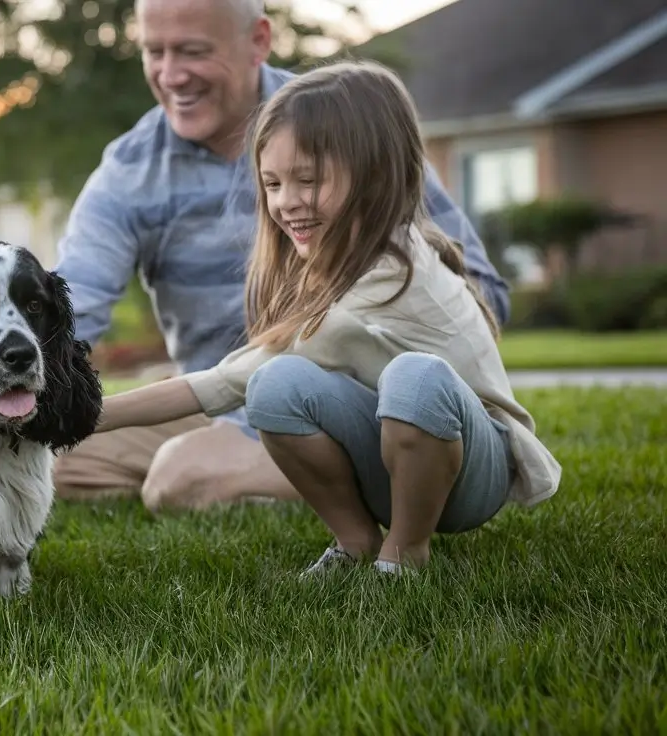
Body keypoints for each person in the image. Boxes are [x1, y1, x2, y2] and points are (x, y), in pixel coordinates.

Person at [93, 60, 561, 575]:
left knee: (415, 376)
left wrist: (82, 416)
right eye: (272, 184)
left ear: (374, 174)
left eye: (308, 180)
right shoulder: (328, 261)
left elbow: (219, 385)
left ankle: (405, 552)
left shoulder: (390, 273)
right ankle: (355, 539)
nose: (286, 202)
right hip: (393, 457)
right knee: (276, 384)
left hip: (474, 472)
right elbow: (242, 380)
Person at [51, 0, 511, 512]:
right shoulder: (129, 171)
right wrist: (31, 389)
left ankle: (355, 474)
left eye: (193, 51)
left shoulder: (348, 128)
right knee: (54, 455)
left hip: (361, 399)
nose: (170, 74)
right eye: (153, 51)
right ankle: (236, 470)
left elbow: (481, 293)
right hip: (220, 393)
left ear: (259, 40)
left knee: (181, 476)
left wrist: (363, 369)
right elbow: (71, 310)